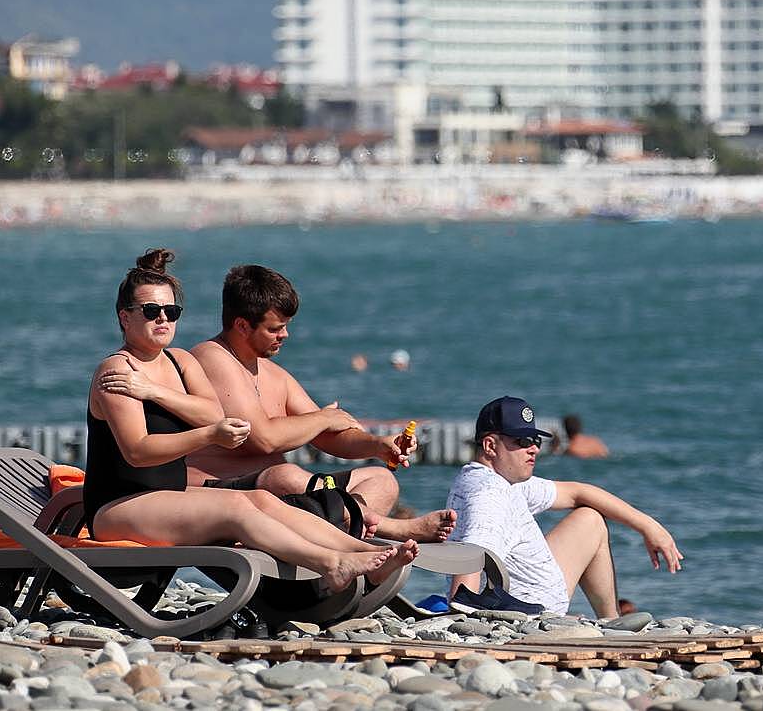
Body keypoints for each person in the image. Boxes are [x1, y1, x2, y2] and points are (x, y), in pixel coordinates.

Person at [85, 248, 418, 593]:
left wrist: (155, 392)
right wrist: (208, 435)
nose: (163, 320)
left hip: (168, 497)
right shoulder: (117, 372)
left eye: (171, 311)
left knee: (260, 501)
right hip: (120, 508)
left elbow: (213, 412)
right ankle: (332, 564)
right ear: (125, 317)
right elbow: (139, 451)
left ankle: (370, 553)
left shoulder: (179, 361)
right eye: (151, 312)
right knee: (235, 507)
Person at [189, 264, 456, 543]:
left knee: (382, 480)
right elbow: (263, 439)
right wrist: (324, 418)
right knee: (286, 475)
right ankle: (391, 527)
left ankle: (344, 529)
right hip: (218, 493)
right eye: (275, 329)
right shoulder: (212, 358)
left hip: (279, 498)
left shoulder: (273, 375)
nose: (285, 336)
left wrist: (379, 445)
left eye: (286, 327)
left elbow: (328, 436)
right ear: (242, 325)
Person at [447, 396, 682, 617]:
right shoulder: (489, 493)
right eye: (523, 441)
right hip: (532, 607)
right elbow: (472, 558)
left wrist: (649, 527)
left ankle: (612, 622)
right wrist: (463, 613)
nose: (535, 449)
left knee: (589, 516)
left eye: (536, 441)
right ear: (490, 446)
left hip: (527, 594)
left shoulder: (495, 480)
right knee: (591, 521)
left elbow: (578, 492)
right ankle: (611, 621)